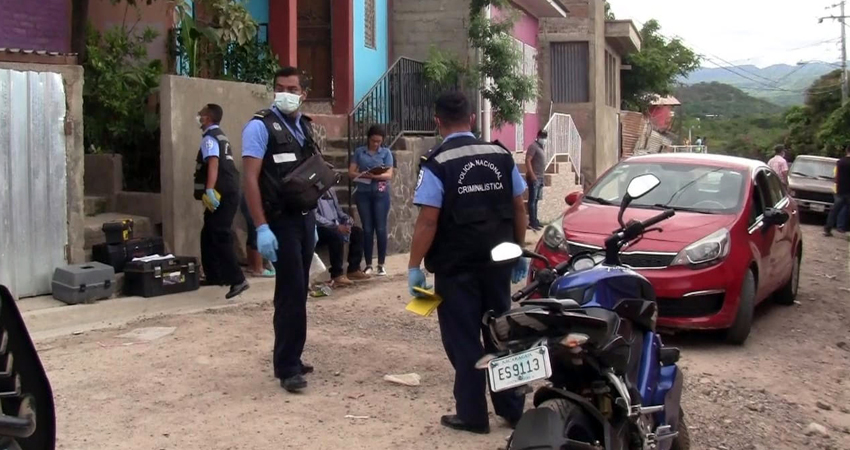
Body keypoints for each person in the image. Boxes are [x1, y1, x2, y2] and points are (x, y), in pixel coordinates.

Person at [408, 91, 530, 434]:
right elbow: (519, 206)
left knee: (463, 340)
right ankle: (512, 408)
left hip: (456, 268)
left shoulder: (437, 162)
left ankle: (473, 414)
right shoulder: (500, 155)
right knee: (500, 334)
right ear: (472, 119)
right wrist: (519, 249)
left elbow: (428, 221)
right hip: (498, 265)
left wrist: (414, 266)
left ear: (437, 122)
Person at [242, 67, 321, 393]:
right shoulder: (259, 127)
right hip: (280, 221)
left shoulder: (303, 126)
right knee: (289, 293)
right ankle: (287, 367)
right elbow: (250, 178)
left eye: (292, 87)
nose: (285, 93)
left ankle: (293, 355)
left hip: (304, 218)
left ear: (303, 92)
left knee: (298, 290)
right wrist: (261, 227)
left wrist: (315, 223)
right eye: (279, 87)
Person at [193, 103, 249, 299]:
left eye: (201, 115)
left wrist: (209, 190)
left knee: (220, 234)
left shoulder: (209, 137)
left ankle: (237, 279)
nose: (198, 118)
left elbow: (214, 163)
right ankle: (214, 275)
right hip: (228, 190)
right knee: (208, 231)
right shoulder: (221, 135)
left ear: (208, 118)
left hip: (221, 192)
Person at [349, 125, 394, 277]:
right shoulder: (359, 152)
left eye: (379, 142)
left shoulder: (386, 153)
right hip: (363, 193)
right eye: (374, 141)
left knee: (380, 228)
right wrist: (362, 174)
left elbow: (389, 174)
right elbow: (350, 172)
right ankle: (368, 263)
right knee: (367, 229)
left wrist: (375, 176)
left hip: (380, 193)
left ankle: (381, 264)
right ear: (369, 139)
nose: (376, 144)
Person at [315, 189, 371, 286]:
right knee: (336, 236)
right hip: (322, 227)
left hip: (336, 224)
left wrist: (347, 220)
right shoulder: (312, 192)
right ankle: (337, 275)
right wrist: (335, 226)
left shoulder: (331, 190)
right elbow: (315, 217)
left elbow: (338, 211)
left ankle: (353, 269)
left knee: (357, 232)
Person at [239, 194, 275, 278]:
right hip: (254, 201)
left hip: (246, 199)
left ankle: (252, 265)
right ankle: (258, 268)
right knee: (256, 233)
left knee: (252, 233)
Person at [824, 145, 850, 236]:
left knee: (834, 211)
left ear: (847, 150)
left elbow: (836, 176)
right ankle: (844, 228)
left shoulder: (840, 162)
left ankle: (827, 229)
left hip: (840, 190)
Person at [525, 130, 548, 231]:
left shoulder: (541, 147)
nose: (544, 139)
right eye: (542, 136)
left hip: (540, 177)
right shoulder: (533, 146)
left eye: (545, 136)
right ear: (538, 136)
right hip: (534, 178)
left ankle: (535, 220)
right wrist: (532, 174)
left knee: (536, 200)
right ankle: (532, 222)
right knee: (532, 200)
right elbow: (528, 160)